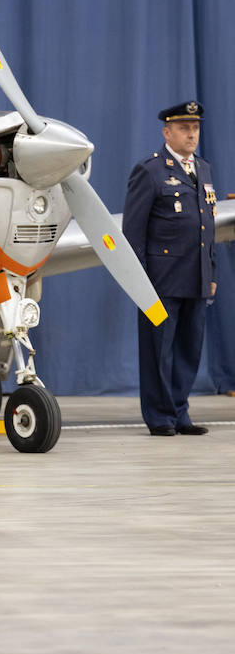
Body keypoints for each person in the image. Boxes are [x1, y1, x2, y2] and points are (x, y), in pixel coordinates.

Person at [122, 100, 217, 436]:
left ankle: (179, 412)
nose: (191, 134)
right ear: (167, 132)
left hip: (196, 276)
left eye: (195, 128)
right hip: (160, 280)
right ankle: (160, 417)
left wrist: (212, 272)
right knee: (158, 351)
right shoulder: (150, 170)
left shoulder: (203, 169)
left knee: (189, 349)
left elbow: (208, 227)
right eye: (183, 128)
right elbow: (132, 233)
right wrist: (140, 281)